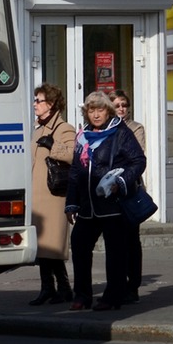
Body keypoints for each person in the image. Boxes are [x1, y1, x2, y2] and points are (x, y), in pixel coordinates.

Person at [64, 91, 146, 311]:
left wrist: (120, 181)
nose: (96, 114)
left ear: (108, 111)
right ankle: (82, 296)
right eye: (91, 110)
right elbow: (75, 171)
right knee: (80, 246)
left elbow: (138, 161)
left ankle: (113, 297)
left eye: (100, 109)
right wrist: (71, 202)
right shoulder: (82, 135)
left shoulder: (120, 133)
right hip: (88, 206)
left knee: (116, 253)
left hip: (113, 204)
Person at [29, 83, 76, 305]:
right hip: (37, 196)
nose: (35, 105)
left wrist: (53, 145)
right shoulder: (38, 129)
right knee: (43, 246)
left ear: (52, 104)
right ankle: (49, 288)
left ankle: (63, 288)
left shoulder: (64, 128)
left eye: (39, 101)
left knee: (53, 246)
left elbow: (73, 156)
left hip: (54, 195)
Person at [111, 89, 147, 303]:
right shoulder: (106, 129)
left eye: (124, 105)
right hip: (110, 192)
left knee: (132, 239)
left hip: (129, 189)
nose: (122, 109)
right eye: (117, 106)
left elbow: (138, 157)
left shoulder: (135, 128)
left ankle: (133, 285)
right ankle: (117, 283)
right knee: (116, 240)